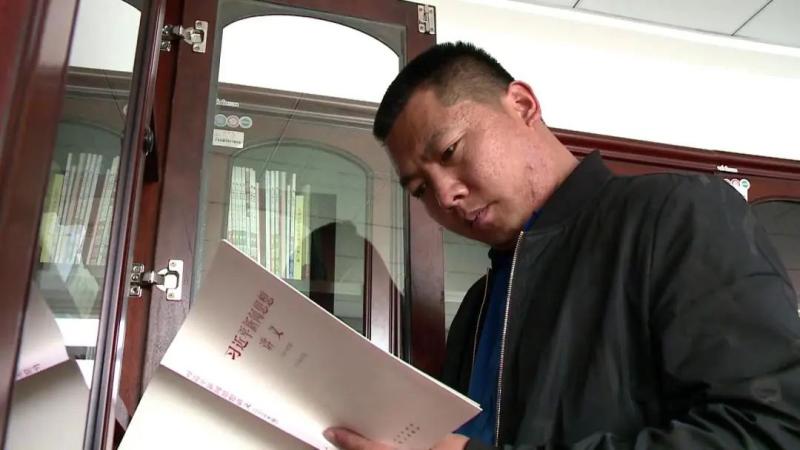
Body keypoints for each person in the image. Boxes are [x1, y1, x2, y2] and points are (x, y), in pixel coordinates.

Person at [323, 41, 800, 449]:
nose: (445, 195)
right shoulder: (477, 305)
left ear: (522, 105)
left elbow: (772, 429)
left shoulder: (676, 215)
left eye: (450, 151)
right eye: (420, 189)